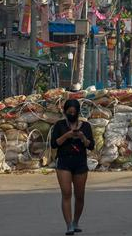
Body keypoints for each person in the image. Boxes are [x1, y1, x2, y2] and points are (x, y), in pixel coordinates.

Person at [51, 99, 94, 235]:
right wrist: (67, 135)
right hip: (64, 162)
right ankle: (69, 225)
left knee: (80, 195)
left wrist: (82, 138)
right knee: (66, 193)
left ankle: (76, 221)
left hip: (80, 162)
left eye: (74, 112)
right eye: (69, 112)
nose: (71, 114)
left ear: (78, 112)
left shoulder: (86, 126)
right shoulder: (59, 125)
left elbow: (91, 146)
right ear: (65, 112)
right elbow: (54, 144)